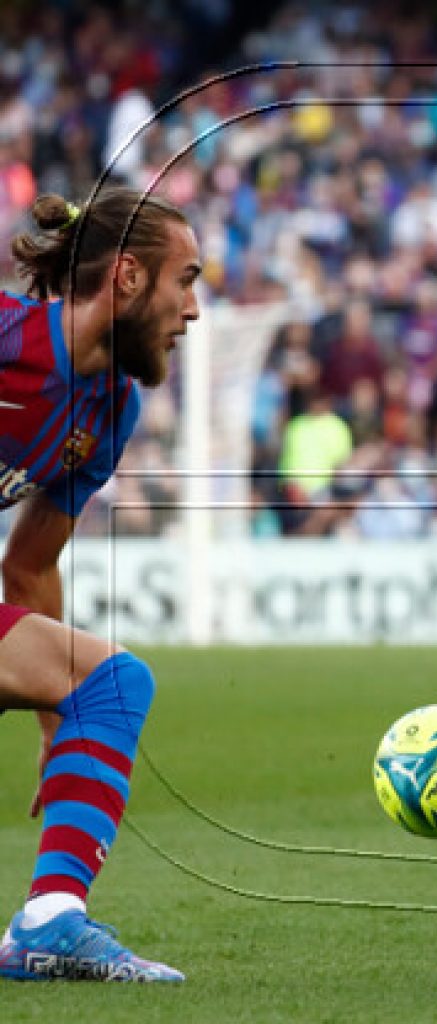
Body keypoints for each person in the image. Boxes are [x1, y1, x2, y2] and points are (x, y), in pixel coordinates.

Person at [0, 187, 201, 982]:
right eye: (185, 280)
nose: (192, 310)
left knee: (110, 684)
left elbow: (28, 566)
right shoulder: (7, 338)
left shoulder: (108, 410)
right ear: (127, 277)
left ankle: (50, 921)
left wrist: (57, 724)